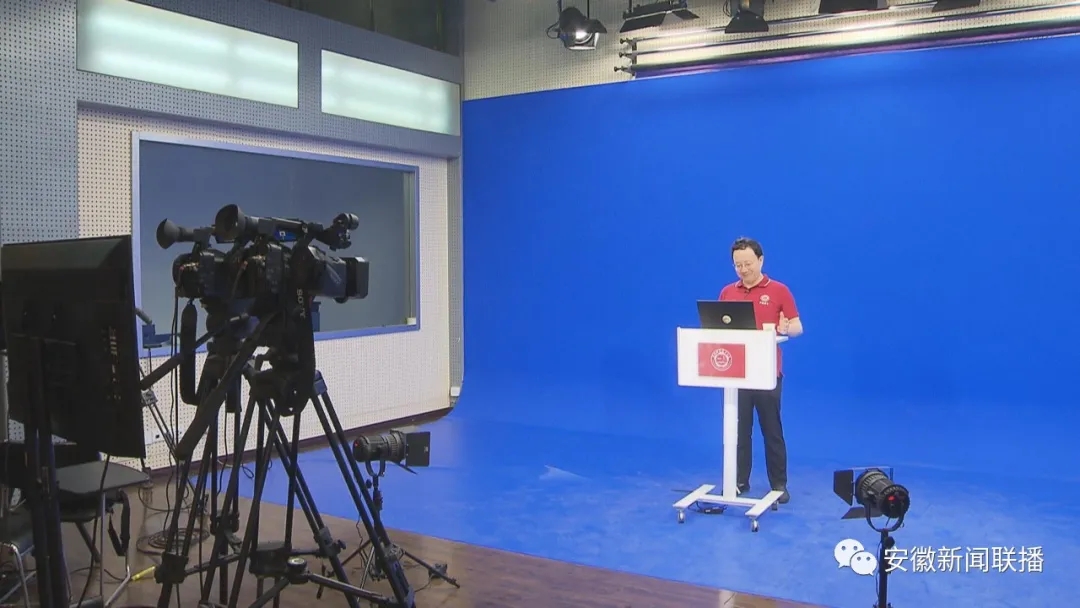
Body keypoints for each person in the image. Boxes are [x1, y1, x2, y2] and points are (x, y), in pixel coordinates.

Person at [718, 237, 803, 504]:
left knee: (771, 430)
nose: (743, 269)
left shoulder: (779, 290)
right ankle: (738, 481)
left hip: (767, 372)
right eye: (738, 265)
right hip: (736, 373)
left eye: (748, 263)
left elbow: (798, 326)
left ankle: (778, 484)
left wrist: (786, 328)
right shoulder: (727, 292)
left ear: (761, 260)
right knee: (739, 431)